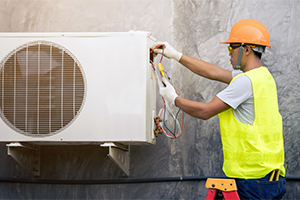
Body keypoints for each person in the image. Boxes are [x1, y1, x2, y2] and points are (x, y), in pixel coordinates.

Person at [153, 19, 286, 199]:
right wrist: (175, 55)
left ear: (246, 49)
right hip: (272, 178)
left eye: (232, 47)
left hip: (252, 181)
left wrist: (174, 99)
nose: (228, 53)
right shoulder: (262, 77)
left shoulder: (245, 82)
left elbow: (205, 111)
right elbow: (212, 72)